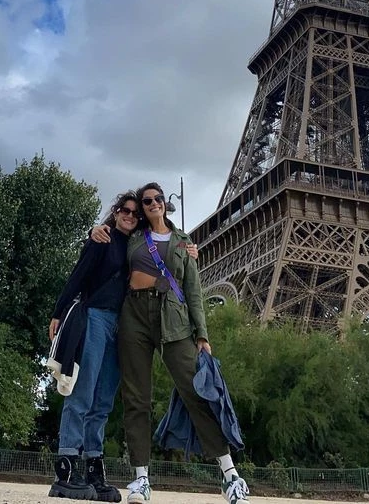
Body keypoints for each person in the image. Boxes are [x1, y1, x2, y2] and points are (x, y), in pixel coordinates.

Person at [116, 182, 249, 504]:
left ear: (165, 203)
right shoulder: (132, 236)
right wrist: (97, 230)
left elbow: (193, 292)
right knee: (137, 399)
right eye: (146, 201)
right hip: (134, 316)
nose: (152, 204)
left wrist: (202, 334)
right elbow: (110, 236)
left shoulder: (184, 243)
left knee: (197, 394)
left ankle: (230, 476)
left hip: (174, 320)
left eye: (157, 199)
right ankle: (141, 478)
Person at [48, 192, 140, 502]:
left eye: (134, 212)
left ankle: (94, 472)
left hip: (122, 326)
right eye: (124, 210)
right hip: (96, 318)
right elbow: (78, 276)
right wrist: (58, 312)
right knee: (82, 393)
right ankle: (66, 470)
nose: (129, 215)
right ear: (115, 212)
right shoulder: (102, 238)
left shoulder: (138, 246)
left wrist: (187, 248)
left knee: (102, 402)